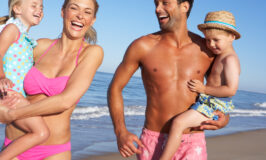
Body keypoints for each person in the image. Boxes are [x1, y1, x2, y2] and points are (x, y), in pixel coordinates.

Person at [108, 0, 229, 159]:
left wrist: (224, 118)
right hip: (153, 141)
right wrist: (120, 132)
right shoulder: (142, 46)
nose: (158, 9)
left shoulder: (206, 49)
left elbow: (219, 92)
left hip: (192, 142)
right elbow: (115, 88)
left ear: (184, 6)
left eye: (165, 3)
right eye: (156, 4)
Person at [0, 0, 103, 159]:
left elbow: (65, 101)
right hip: (14, 145)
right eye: (74, 8)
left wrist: (12, 114)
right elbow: (8, 67)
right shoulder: (38, 46)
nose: (80, 16)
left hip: (54, 151)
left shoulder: (92, 53)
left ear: (93, 20)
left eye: (87, 12)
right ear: (63, 12)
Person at [159, 10, 241, 160]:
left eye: (216, 40)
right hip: (209, 102)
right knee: (181, 125)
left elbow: (231, 89)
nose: (211, 44)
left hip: (214, 104)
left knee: (178, 123)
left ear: (232, 37)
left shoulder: (230, 60)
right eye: (208, 40)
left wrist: (203, 89)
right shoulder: (219, 56)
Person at [0, 0, 50, 159]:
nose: (39, 10)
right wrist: (1, 77)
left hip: (15, 94)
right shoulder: (12, 29)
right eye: (34, 5)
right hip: (8, 92)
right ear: (17, 8)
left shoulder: (26, 39)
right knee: (41, 132)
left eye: (41, 7)